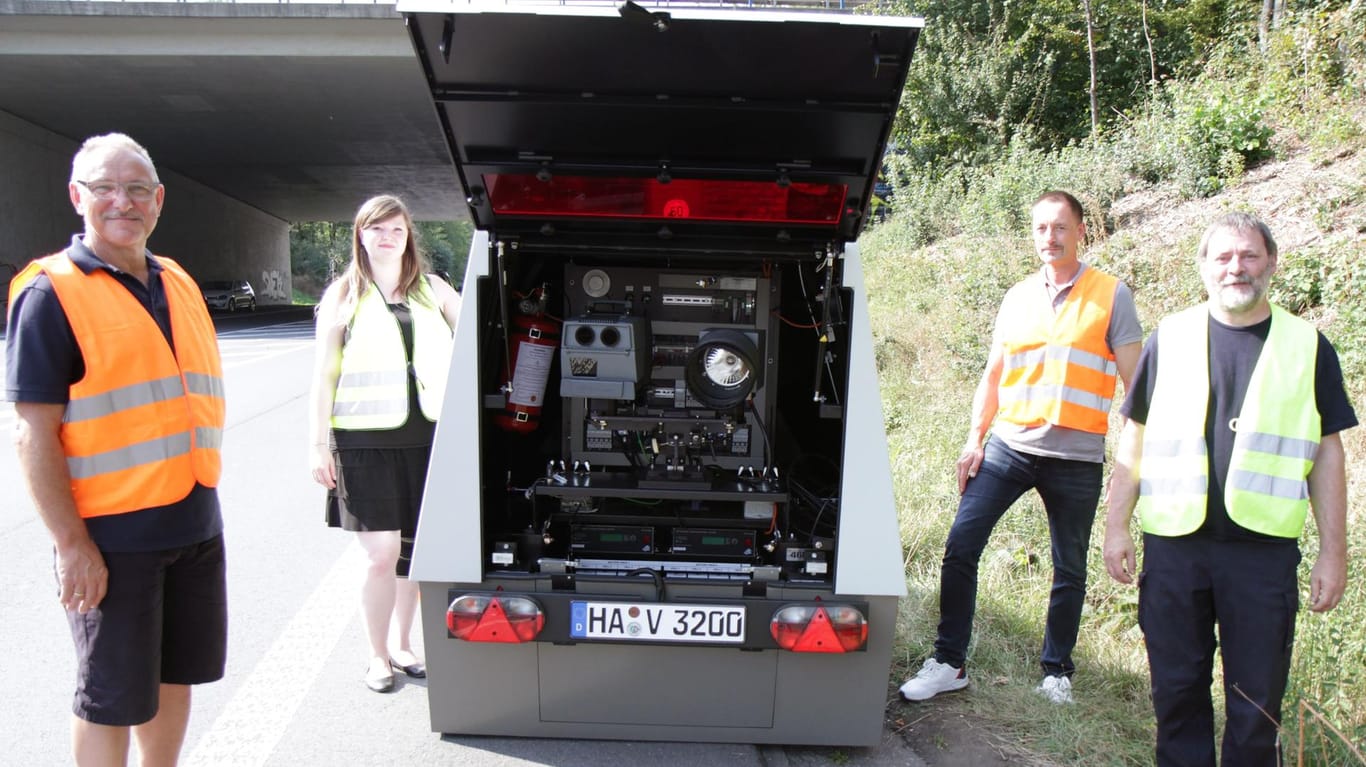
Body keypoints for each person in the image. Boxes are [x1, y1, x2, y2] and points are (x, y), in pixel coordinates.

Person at [6, 133, 228, 765]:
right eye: (104, 188)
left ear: (158, 200)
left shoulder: (177, 280)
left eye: (136, 189)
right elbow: (33, 432)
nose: (121, 202)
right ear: (78, 197)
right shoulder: (52, 293)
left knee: (173, 676)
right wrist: (72, 546)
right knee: (109, 696)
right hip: (111, 539)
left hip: (193, 520)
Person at [1103, 213, 1355, 766]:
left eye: (1248, 256)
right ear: (1203, 267)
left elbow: (1327, 451)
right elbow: (1135, 434)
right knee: (1177, 693)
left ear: (1270, 263)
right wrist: (1116, 524)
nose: (1235, 267)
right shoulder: (1168, 337)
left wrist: (1334, 552)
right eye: (1222, 257)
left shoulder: (1308, 345)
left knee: (1256, 703)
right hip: (1175, 548)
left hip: (1262, 555)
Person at [900, 190, 1143, 705]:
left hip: (1076, 458)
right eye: (1040, 228)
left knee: (1069, 565)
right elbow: (993, 375)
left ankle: (1057, 672)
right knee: (962, 545)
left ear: (1081, 231)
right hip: (1010, 446)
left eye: (1060, 227)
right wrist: (975, 440)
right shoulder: (1016, 297)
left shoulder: (1111, 295)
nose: (1049, 238)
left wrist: (1131, 462)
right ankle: (949, 661)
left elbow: (1136, 389)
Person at [308, 194, 459, 693]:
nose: (388, 237)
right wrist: (318, 446)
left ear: (408, 236)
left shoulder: (434, 290)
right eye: (377, 229)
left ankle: (403, 645)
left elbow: (478, 337)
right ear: (362, 236)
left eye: (396, 229)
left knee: (413, 555)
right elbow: (323, 377)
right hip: (363, 442)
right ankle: (376, 655)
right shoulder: (342, 296)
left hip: (428, 439)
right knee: (381, 554)